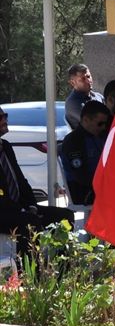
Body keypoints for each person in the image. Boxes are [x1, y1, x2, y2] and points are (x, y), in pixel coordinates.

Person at [0, 108, 75, 259]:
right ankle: (31, 275)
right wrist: (22, 210)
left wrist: (31, 205)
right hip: (4, 211)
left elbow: (20, 181)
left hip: (19, 207)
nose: (4, 120)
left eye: (5, 115)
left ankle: (62, 269)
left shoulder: (5, 146)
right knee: (29, 222)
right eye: (0, 117)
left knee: (64, 216)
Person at [61, 101, 111, 205]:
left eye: (105, 124)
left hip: (100, 186)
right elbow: (81, 176)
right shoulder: (74, 141)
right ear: (86, 120)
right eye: (100, 123)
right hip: (84, 191)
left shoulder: (100, 136)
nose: (103, 127)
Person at [64, 63, 104, 130]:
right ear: (73, 83)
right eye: (83, 79)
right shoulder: (72, 103)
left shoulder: (99, 97)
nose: (88, 81)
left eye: (88, 77)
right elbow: (93, 124)